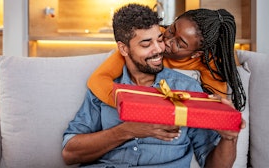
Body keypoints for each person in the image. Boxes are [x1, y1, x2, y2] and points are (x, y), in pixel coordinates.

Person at [62, 4, 244, 167]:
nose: (160, 48)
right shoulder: (105, 87)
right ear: (124, 49)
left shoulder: (189, 89)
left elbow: (212, 163)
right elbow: (69, 153)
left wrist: (229, 137)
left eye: (159, 39)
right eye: (146, 43)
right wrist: (127, 130)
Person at [87, 8, 246, 111]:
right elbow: (98, 79)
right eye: (172, 30)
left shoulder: (207, 62)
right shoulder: (153, 37)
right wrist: (130, 104)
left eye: (179, 43)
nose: (166, 41)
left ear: (197, 54)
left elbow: (216, 106)